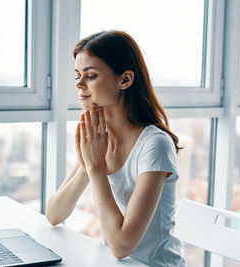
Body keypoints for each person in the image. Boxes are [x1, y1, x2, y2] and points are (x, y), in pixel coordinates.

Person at [46, 30, 186, 267]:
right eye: (78, 75)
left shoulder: (155, 144)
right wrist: (88, 164)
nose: (79, 84)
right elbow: (54, 214)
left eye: (90, 75)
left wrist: (96, 168)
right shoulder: (98, 138)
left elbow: (121, 246)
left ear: (125, 80)